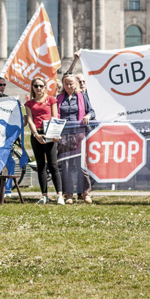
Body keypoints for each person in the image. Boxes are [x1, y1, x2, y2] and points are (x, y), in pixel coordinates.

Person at [57, 73, 95, 204]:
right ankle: (68, 195)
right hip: (64, 135)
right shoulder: (59, 98)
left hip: (79, 134)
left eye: (71, 83)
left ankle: (85, 193)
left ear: (76, 84)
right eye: (66, 83)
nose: (68, 86)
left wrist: (88, 117)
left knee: (82, 165)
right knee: (66, 166)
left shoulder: (82, 96)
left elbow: (92, 111)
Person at [25, 76, 63, 205]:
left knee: (53, 165)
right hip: (37, 134)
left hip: (49, 134)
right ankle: (44, 195)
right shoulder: (29, 103)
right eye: (36, 86)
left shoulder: (51, 100)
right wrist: (36, 134)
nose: (39, 88)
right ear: (32, 88)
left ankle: (59, 195)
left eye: (41, 86)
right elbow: (30, 120)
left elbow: (54, 117)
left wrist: (54, 134)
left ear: (45, 87)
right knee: (40, 166)